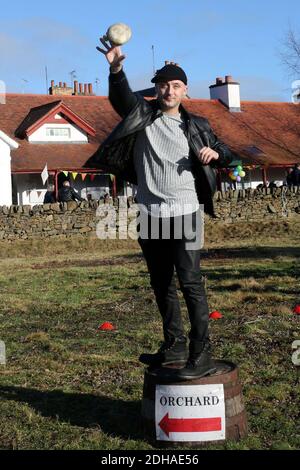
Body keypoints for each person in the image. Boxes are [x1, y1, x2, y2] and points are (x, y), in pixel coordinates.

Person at [86, 36, 237, 379]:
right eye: (163, 85)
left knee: (190, 283)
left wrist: (217, 155)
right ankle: (175, 344)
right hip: (150, 215)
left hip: (185, 212)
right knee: (161, 283)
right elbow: (120, 97)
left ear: (185, 90)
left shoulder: (198, 125)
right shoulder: (142, 114)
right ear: (155, 89)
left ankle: (201, 352)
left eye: (176, 85)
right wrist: (116, 69)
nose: (169, 90)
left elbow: (230, 153)